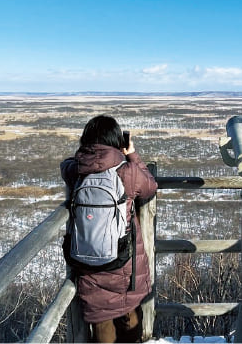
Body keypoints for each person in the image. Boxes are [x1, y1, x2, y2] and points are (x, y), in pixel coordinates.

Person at [61, 115, 158, 343]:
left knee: (101, 319)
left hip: (88, 263)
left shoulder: (78, 170)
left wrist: (83, 154)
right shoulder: (126, 171)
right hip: (123, 262)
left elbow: (64, 166)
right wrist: (132, 154)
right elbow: (150, 186)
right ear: (117, 140)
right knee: (130, 315)